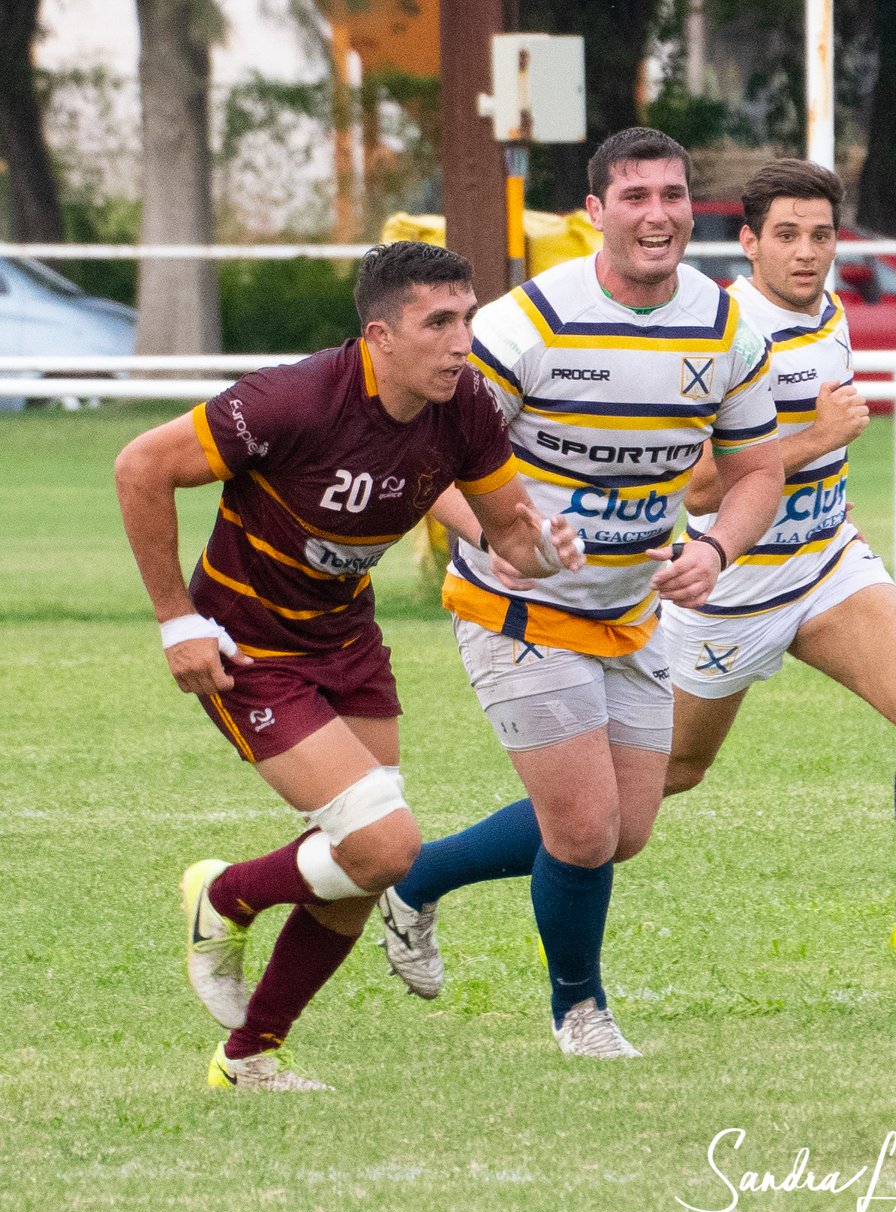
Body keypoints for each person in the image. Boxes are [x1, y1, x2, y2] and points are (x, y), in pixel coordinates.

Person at [379, 158, 896, 1005]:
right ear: (747, 242)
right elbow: (702, 488)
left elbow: (789, 459)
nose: (806, 253)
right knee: (641, 795)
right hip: (723, 588)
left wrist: (824, 486)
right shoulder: (725, 325)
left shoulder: (827, 313)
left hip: (825, 559)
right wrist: (814, 439)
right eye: (785, 235)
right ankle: (422, 876)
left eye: (822, 234)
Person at [114, 241, 582, 1091]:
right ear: (379, 335)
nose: (460, 340)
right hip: (247, 643)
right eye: (436, 323)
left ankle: (249, 1056)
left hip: (346, 638)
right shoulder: (289, 400)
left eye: (467, 319)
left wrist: (545, 548)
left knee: (363, 866)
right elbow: (140, 466)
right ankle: (224, 896)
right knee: (384, 843)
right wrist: (174, 620)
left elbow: (511, 531)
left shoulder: (465, 404)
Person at [380, 127, 785, 1059]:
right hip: (514, 606)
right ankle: (580, 1009)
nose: (658, 215)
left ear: (694, 208)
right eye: (634, 197)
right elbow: (426, 456)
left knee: (623, 829)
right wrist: (499, 535)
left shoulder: (727, 328)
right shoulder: (530, 326)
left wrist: (718, 548)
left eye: (673, 196)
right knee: (584, 826)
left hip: (631, 610)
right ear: (594, 212)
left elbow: (757, 468)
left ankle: (414, 881)